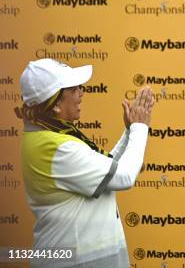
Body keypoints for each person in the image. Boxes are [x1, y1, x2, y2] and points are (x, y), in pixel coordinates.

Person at [15, 58, 154, 267]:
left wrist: (129, 131)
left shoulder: (50, 136)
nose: (82, 92)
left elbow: (107, 168)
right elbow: (123, 176)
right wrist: (140, 127)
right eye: (74, 88)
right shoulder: (55, 146)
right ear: (55, 104)